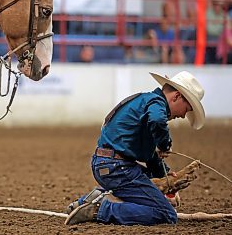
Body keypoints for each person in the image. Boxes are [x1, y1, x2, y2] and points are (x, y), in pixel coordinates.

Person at [65, 71, 205, 226]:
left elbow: (150, 155)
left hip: (107, 165)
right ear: (177, 96)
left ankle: (90, 200)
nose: (184, 115)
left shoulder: (144, 102)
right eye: (187, 108)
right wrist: (165, 144)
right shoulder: (156, 104)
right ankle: (99, 210)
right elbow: (158, 121)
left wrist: (164, 174)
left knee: (150, 190)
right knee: (167, 214)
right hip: (118, 168)